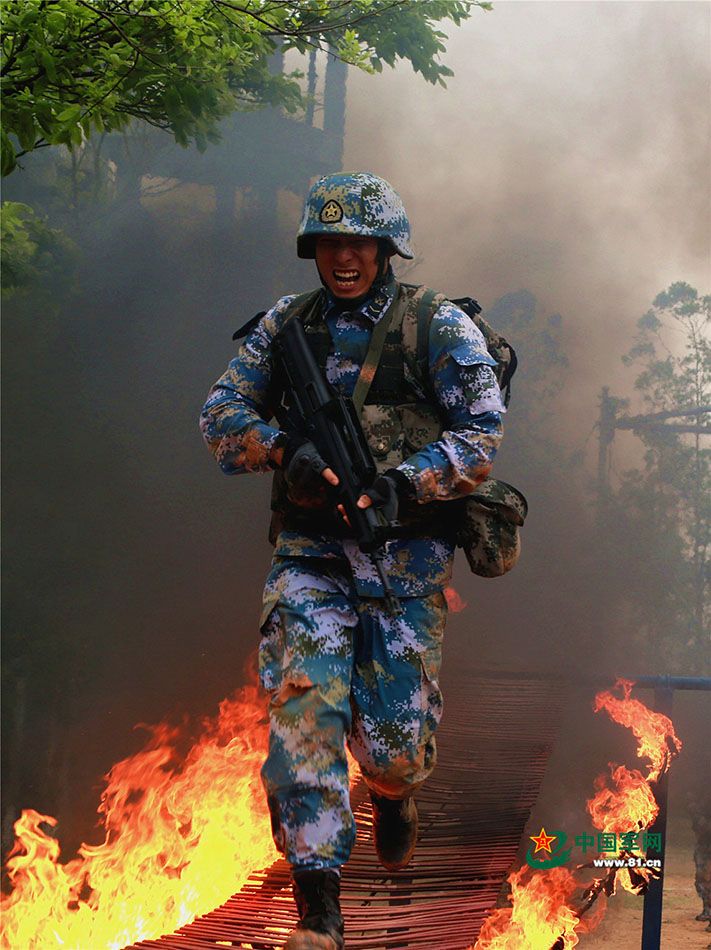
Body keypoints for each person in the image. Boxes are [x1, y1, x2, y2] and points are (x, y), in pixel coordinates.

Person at [200, 172, 505, 950]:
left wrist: (406, 485)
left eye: (358, 244)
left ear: (384, 249)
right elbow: (218, 416)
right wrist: (282, 450)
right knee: (304, 716)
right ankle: (318, 908)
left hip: (403, 564)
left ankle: (394, 796)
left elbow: (479, 432)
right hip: (310, 557)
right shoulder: (285, 325)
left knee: (396, 749)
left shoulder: (434, 324)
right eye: (329, 243)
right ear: (313, 249)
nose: (343, 257)